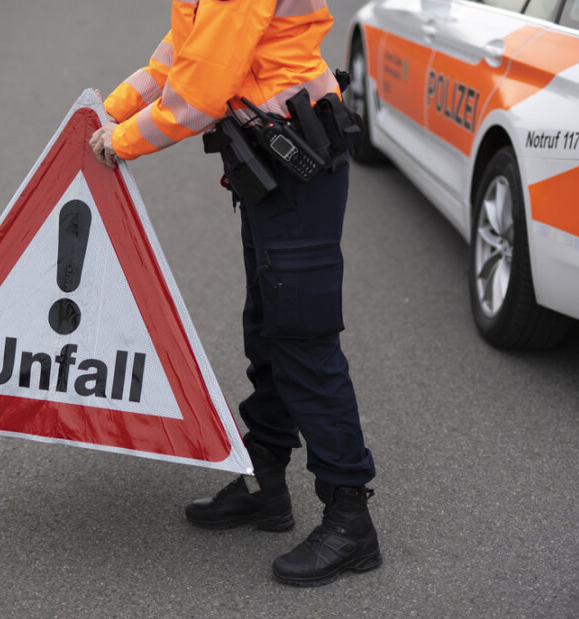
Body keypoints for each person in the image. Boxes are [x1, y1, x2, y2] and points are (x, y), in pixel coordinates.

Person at [89, 0, 380, 587]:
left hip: (298, 159)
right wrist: (103, 112)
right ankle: (266, 484)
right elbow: (176, 56)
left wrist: (119, 141)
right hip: (271, 164)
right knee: (268, 327)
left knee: (302, 339)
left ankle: (351, 521)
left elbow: (197, 96)